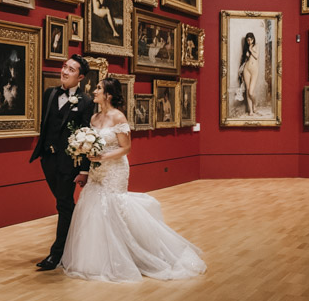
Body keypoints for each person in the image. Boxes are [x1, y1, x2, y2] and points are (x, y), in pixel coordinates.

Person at [61, 77, 206, 281]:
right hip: (97, 170)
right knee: (93, 206)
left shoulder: (118, 117)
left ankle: (131, 252)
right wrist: (85, 150)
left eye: (98, 88)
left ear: (108, 95)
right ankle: (97, 258)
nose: (94, 91)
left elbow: (126, 148)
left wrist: (103, 156)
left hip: (115, 169)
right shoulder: (94, 119)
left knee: (113, 205)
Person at [29, 55, 95, 271]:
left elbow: (87, 135)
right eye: (64, 67)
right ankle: (77, 241)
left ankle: (56, 254)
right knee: (64, 204)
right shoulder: (50, 93)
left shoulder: (86, 102)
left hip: (69, 163)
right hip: (47, 159)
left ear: (81, 77)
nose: (65, 71)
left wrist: (84, 170)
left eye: (71, 69)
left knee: (64, 204)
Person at [238, 32, 259, 116]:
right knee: (247, 90)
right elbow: (244, 61)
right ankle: (250, 110)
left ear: (253, 39)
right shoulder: (246, 48)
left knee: (251, 92)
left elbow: (256, 56)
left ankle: (255, 104)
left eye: (250, 39)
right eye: (248, 40)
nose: (249, 41)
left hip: (254, 70)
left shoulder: (257, 46)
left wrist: (250, 50)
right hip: (246, 69)